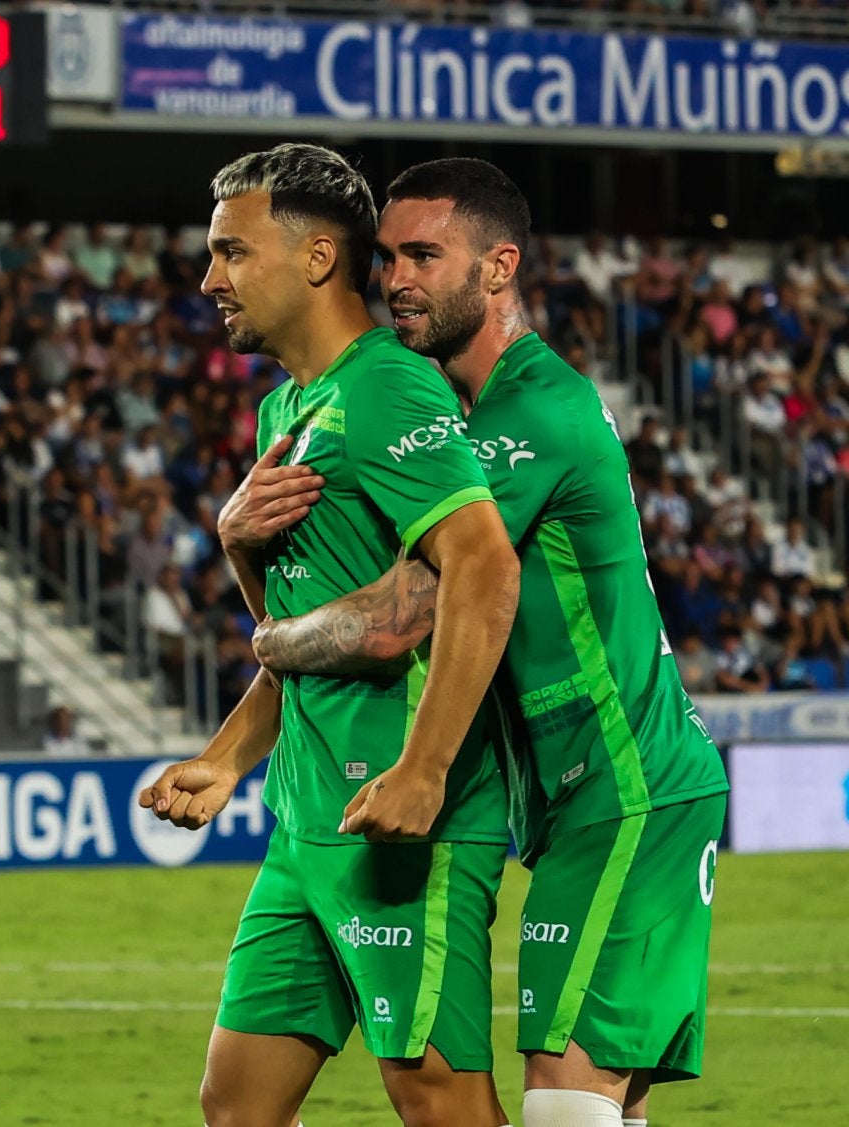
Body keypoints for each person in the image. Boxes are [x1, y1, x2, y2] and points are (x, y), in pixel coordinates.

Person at [228, 159, 728, 1127]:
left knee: (563, 1108)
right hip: (574, 800)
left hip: (626, 790)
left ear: (499, 269)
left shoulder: (528, 414)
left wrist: (269, 635)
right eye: (388, 258)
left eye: (425, 255)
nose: (396, 280)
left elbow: (408, 611)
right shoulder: (445, 416)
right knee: (594, 1110)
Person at [138, 144, 522, 1127]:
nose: (208, 278)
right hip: (306, 817)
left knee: (435, 1097)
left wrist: (427, 766)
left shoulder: (387, 387)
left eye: (230, 252)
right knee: (237, 1102)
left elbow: (477, 566)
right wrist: (227, 757)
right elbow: (298, 634)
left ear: (315, 259)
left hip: (398, 816)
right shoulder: (288, 406)